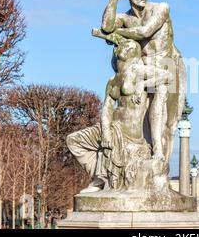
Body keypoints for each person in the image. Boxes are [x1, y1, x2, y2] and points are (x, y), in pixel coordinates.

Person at [67, 36, 171, 192]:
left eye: (126, 45)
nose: (120, 48)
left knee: (162, 89)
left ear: (132, 51)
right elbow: (107, 109)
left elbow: (168, 76)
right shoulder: (113, 80)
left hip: (130, 133)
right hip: (113, 126)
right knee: (73, 140)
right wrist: (106, 131)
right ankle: (99, 177)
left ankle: (100, 179)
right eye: (121, 46)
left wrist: (143, 84)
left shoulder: (137, 70)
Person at [100, 0, 186, 164]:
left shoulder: (161, 8)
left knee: (169, 125)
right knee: (141, 119)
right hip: (143, 68)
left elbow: (144, 31)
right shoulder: (125, 18)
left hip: (167, 65)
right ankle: (152, 152)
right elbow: (106, 28)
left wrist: (117, 33)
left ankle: (159, 152)